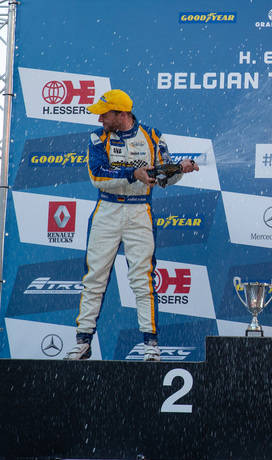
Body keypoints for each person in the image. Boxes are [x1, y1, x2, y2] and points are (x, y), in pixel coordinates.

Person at [65, 89, 199, 361]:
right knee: (95, 277)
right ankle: (82, 341)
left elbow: (160, 177)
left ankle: (151, 345)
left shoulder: (151, 136)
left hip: (140, 210)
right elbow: (97, 176)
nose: (100, 119)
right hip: (108, 208)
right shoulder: (97, 137)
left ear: (122, 114)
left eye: (105, 114)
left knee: (142, 279)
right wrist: (132, 173)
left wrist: (179, 170)